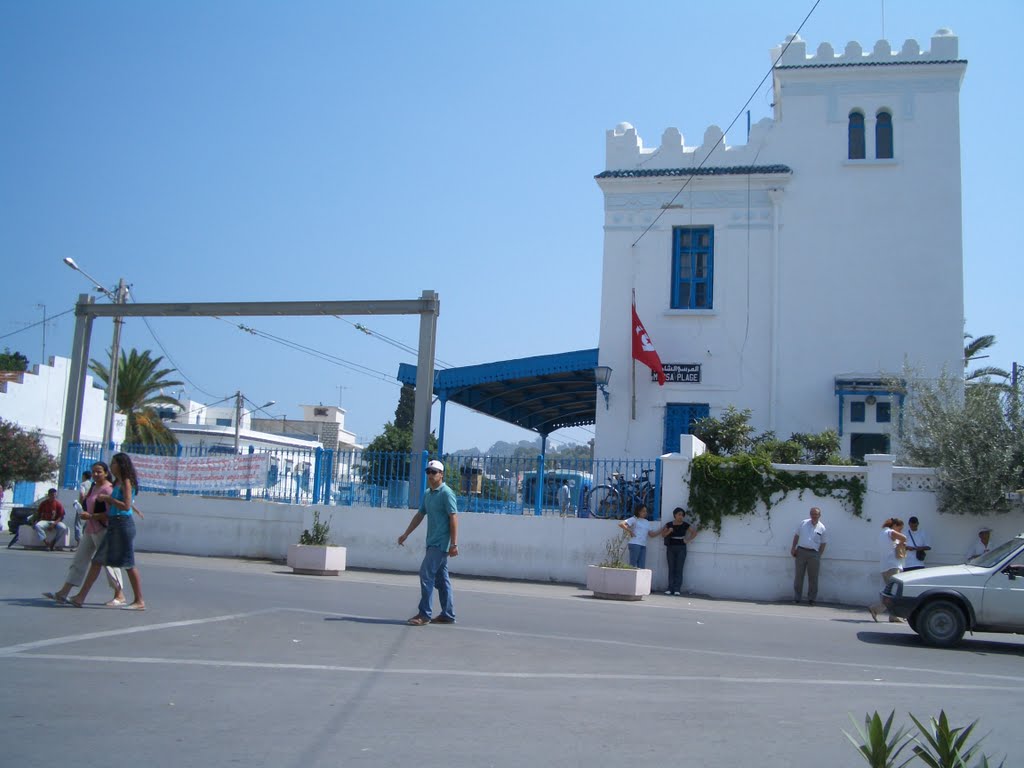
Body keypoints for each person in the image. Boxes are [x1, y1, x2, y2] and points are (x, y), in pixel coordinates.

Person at [43, 462, 125, 606]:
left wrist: (92, 516)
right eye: (93, 472)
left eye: (99, 471)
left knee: (109, 563)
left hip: (103, 530)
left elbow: (111, 513)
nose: (95, 474)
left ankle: (119, 594)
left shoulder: (109, 489)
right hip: (90, 529)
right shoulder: (93, 487)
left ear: (106, 473)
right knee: (79, 560)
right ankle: (64, 592)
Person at [70, 453, 145, 610]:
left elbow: (125, 505)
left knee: (129, 564)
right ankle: (80, 597)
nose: (111, 466)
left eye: (114, 463)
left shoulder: (126, 481)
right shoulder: (117, 482)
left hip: (122, 525)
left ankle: (139, 600)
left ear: (121, 465)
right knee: (97, 561)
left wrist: (108, 499)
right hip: (114, 525)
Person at [398, 459, 459, 626]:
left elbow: (453, 517)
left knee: (426, 573)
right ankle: (448, 614)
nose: (430, 475)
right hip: (431, 541)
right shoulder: (428, 494)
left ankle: (424, 614)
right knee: (441, 579)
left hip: (441, 543)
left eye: (434, 472)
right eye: (428, 472)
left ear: (441, 474)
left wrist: (454, 544)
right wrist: (406, 534)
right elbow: (420, 515)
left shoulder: (446, 493)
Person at [868, 517, 907, 622]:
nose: (900, 531)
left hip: (884, 566)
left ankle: (893, 615)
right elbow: (904, 538)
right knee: (895, 593)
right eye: (900, 528)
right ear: (894, 526)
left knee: (891, 592)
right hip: (892, 565)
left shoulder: (882, 533)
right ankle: (876, 609)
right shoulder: (890, 532)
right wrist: (900, 543)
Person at [790, 506, 827, 605]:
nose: (814, 516)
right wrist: (793, 548)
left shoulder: (822, 527)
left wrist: (819, 555)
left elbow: (823, 543)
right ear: (810, 514)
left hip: (814, 554)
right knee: (799, 576)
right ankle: (797, 598)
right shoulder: (803, 523)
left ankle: (812, 599)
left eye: (816, 514)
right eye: (812, 514)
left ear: (819, 515)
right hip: (801, 551)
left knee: (813, 578)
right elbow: (796, 536)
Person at [659, 506, 697, 595]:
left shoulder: (685, 525)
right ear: (674, 515)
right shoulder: (669, 524)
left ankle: (677, 589)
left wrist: (687, 540)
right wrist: (669, 531)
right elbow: (663, 535)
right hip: (671, 547)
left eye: (682, 515)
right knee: (671, 568)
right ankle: (670, 588)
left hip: (681, 548)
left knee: (679, 568)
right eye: (679, 514)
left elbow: (694, 532)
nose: (681, 516)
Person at [618, 503, 659, 569]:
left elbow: (652, 534)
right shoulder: (634, 519)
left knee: (641, 566)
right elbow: (621, 524)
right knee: (632, 565)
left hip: (643, 545)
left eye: (646, 511)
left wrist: (662, 529)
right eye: (643, 511)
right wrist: (630, 531)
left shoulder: (646, 522)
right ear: (638, 511)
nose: (645, 513)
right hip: (635, 544)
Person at [74, 470, 93, 547]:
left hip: (83, 505)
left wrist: (80, 505)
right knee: (88, 524)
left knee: (78, 524)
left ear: (84, 476)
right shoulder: (92, 484)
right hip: (90, 506)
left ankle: (79, 543)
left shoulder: (83, 484)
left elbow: (82, 494)